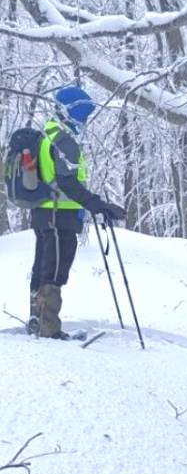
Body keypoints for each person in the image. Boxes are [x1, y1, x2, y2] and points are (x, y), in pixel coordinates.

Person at [29, 85, 126, 339]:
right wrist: (98, 205)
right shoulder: (63, 141)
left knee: (43, 266)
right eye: (84, 114)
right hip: (59, 216)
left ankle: (36, 321)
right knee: (54, 271)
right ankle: (47, 328)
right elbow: (67, 182)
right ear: (73, 112)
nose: (86, 120)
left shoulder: (45, 134)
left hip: (43, 214)